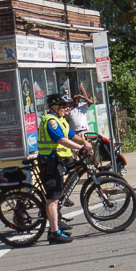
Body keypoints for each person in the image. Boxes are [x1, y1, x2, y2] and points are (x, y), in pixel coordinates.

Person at [37, 92, 92, 244]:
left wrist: (85, 143)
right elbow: (61, 140)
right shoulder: (51, 121)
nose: (68, 108)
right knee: (52, 199)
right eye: (64, 106)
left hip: (59, 160)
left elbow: (72, 136)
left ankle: (61, 204)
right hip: (49, 162)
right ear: (54, 107)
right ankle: (54, 233)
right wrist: (81, 149)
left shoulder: (60, 120)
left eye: (69, 106)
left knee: (76, 169)